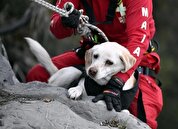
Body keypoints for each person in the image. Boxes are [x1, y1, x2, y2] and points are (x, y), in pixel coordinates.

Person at [26, 0, 162, 128]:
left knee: (144, 120)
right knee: (37, 75)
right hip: (93, 54)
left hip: (130, 61)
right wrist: (65, 22)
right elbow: (56, 29)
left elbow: (138, 40)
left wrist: (118, 81)